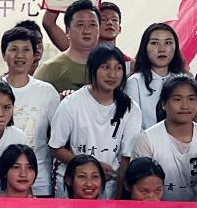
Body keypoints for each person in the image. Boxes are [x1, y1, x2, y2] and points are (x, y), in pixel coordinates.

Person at [49, 45, 141, 199]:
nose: (112, 74)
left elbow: (126, 158)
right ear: (92, 69)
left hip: (109, 187)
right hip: (73, 188)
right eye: (105, 67)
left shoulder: (130, 108)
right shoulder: (72, 103)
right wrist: (91, 168)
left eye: (118, 68)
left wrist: (118, 197)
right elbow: (55, 148)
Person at [132, 75, 197, 202]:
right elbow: (140, 186)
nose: (185, 106)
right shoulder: (147, 139)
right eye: (177, 99)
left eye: (191, 99)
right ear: (163, 104)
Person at [1, 26, 60, 197]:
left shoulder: (47, 92)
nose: (20, 55)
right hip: (0, 180)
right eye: (13, 49)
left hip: (40, 182)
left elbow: (58, 137)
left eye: (26, 50)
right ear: (4, 54)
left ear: (34, 54)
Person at [125, 23, 189, 129]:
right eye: (154, 43)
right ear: (145, 47)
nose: (161, 49)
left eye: (168, 43)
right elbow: (132, 125)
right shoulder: (135, 82)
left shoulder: (185, 81)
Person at [35, 0, 101, 94]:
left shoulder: (110, 67)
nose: (87, 31)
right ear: (67, 30)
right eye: (80, 25)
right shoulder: (49, 69)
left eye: (93, 25)